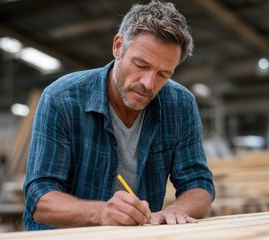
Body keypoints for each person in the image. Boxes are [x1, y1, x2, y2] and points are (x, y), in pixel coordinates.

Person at [23, 0, 215, 230]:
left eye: (164, 74)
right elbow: (39, 198)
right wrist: (102, 213)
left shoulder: (180, 105)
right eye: (141, 65)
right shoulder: (61, 99)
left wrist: (176, 211)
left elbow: (199, 184)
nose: (149, 84)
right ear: (118, 46)